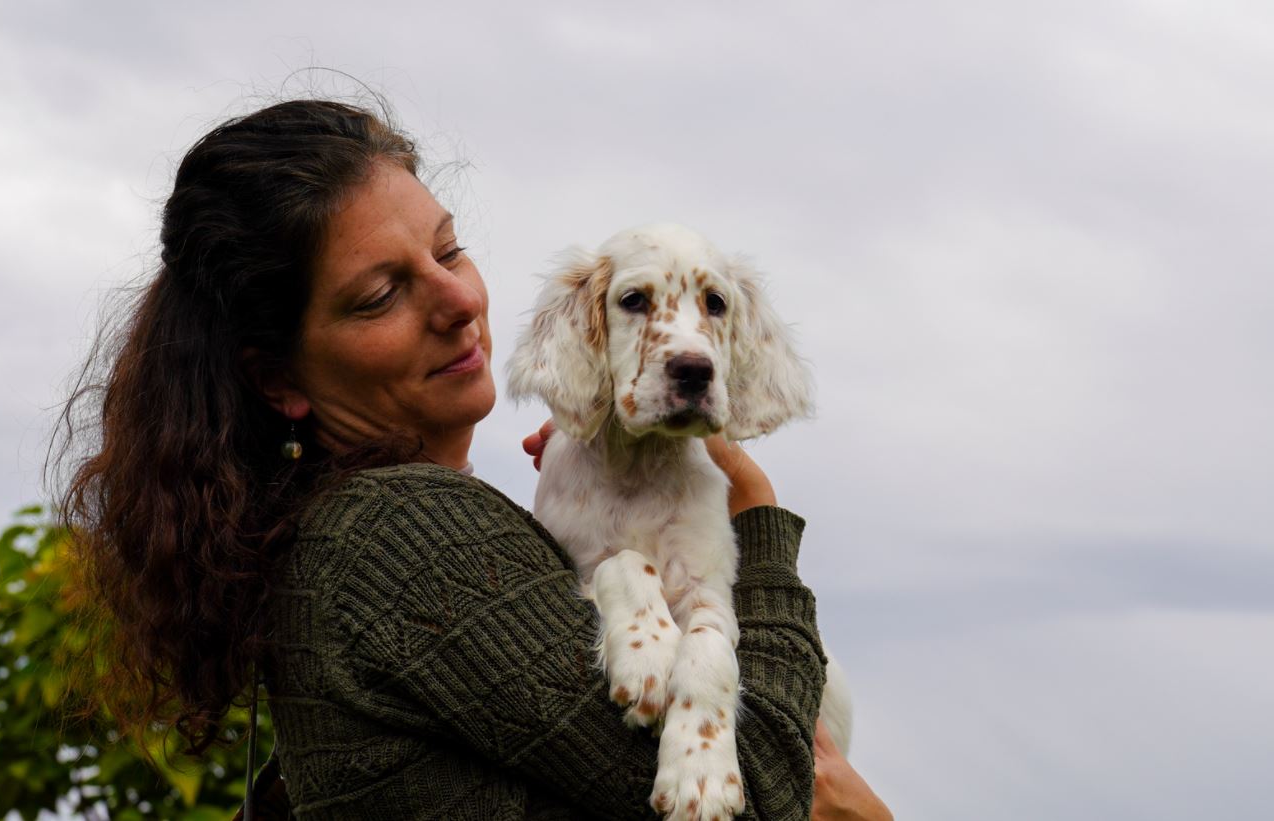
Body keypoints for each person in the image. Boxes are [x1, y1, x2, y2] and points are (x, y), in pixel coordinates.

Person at [57, 98, 891, 820]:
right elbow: (773, 791)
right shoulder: (398, 536)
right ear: (278, 378)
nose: (459, 300)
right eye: (380, 295)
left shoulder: (375, 536)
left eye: (448, 250)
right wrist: (757, 515)